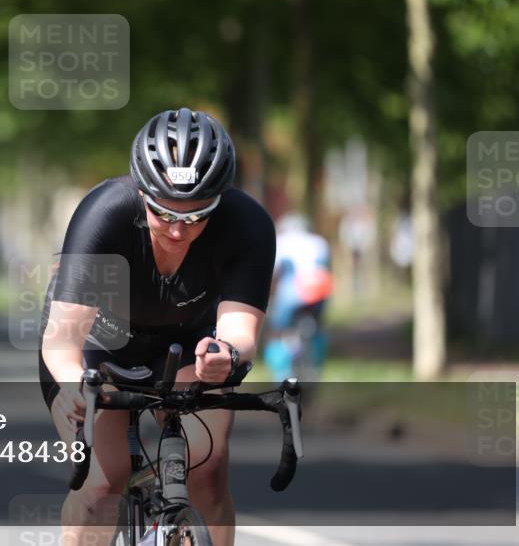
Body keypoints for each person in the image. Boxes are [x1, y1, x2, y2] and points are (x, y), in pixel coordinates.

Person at [38, 108, 275, 546]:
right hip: (97, 345)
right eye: (163, 213)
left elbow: (240, 334)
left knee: (208, 466)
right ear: (142, 193)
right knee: (102, 486)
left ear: (219, 201)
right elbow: (64, 341)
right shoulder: (104, 213)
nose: (178, 231)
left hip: (186, 345)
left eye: (195, 216)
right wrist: (73, 385)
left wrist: (225, 358)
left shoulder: (248, 225)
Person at [263, 213, 333, 382]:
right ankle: (316, 365)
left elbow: (274, 275)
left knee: (276, 330)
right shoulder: (320, 242)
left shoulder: (281, 242)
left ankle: (281, 373)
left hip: (292, 294)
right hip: (320, 293)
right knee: (319, 328)